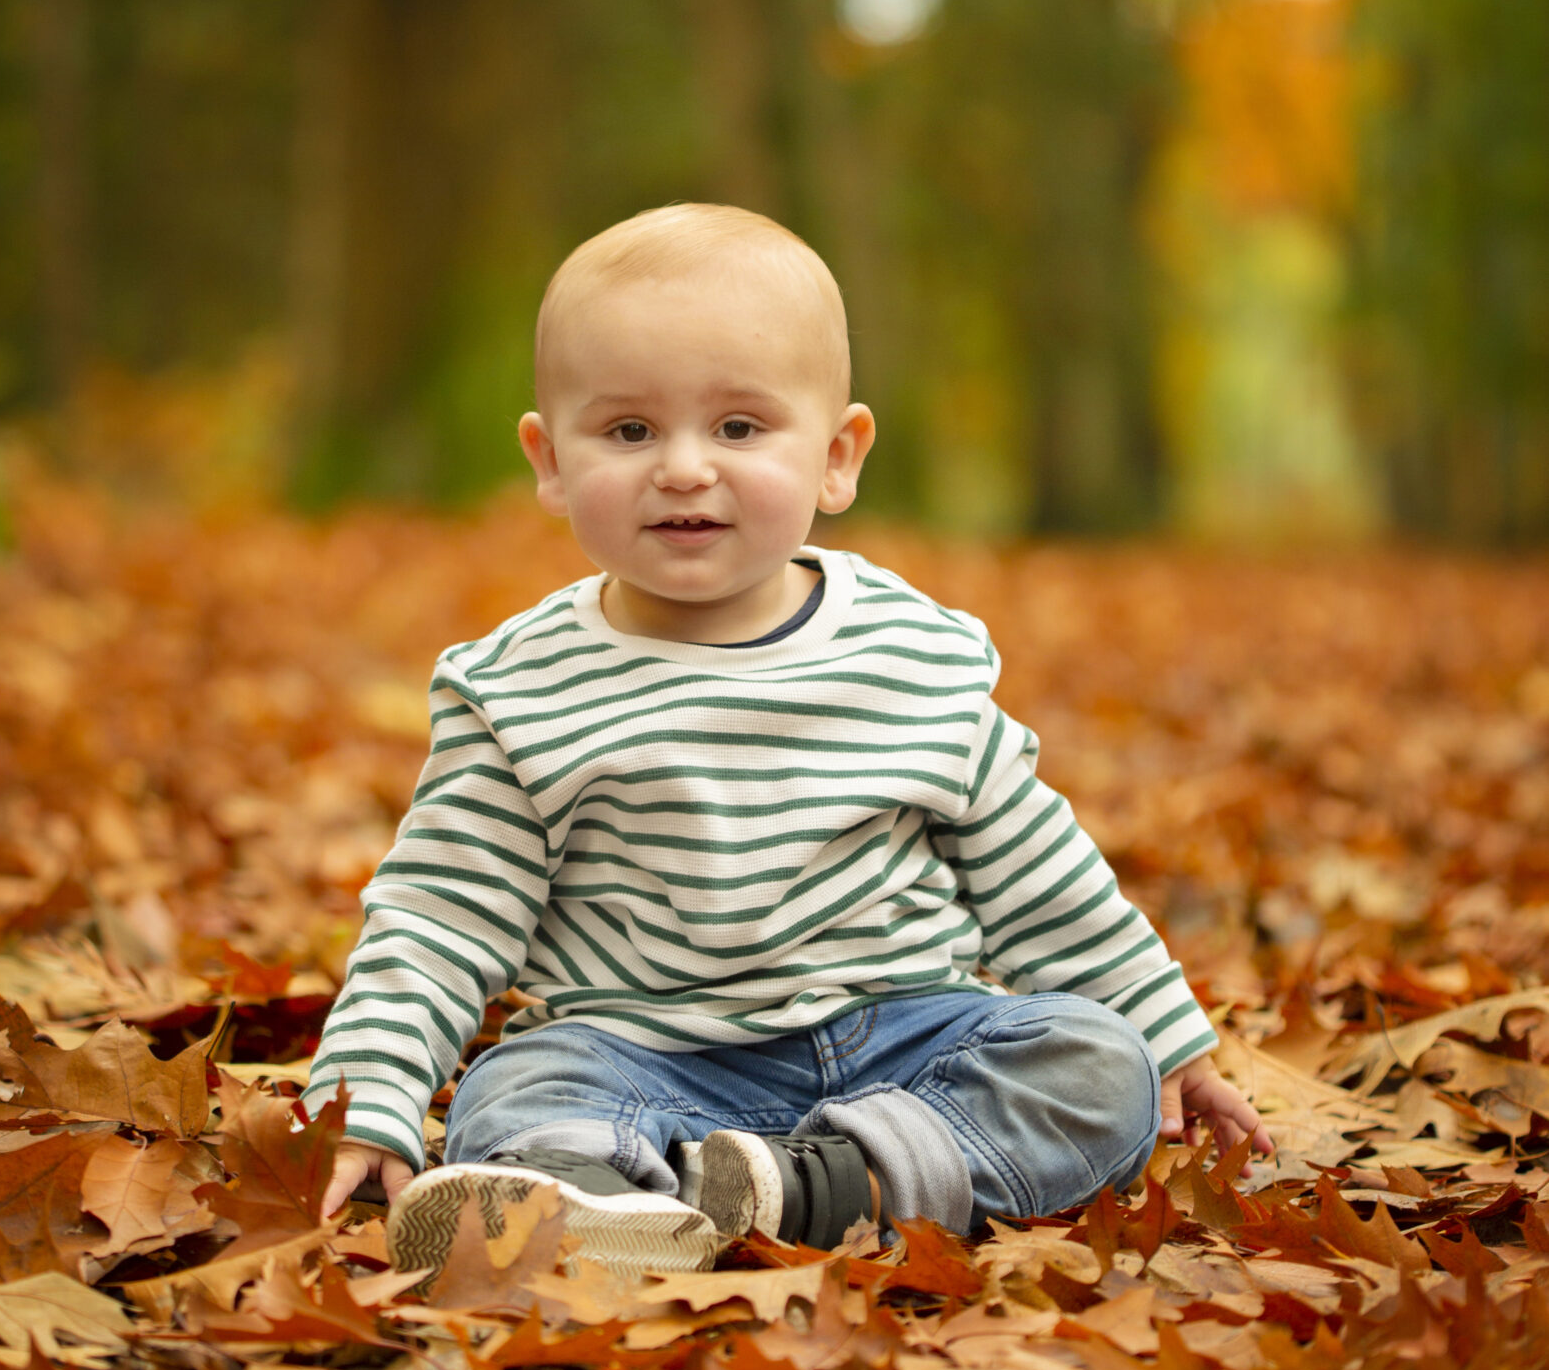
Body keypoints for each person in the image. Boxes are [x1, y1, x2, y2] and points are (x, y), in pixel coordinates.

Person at [307, 203, 1271, 1275]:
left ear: (835, 456)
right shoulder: (519, 688)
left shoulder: (913, 654)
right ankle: (621, 1199)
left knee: (1099, 1068)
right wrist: (372, 1091)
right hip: (643, 1057)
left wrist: (1169, 1043)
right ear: (547, 459)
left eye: (737, 428)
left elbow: (1036, 874)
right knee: (516, 1089)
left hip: (903, 1044)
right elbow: (441, 912)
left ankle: (822, 1183)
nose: (681, 467)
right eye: (627, 431)